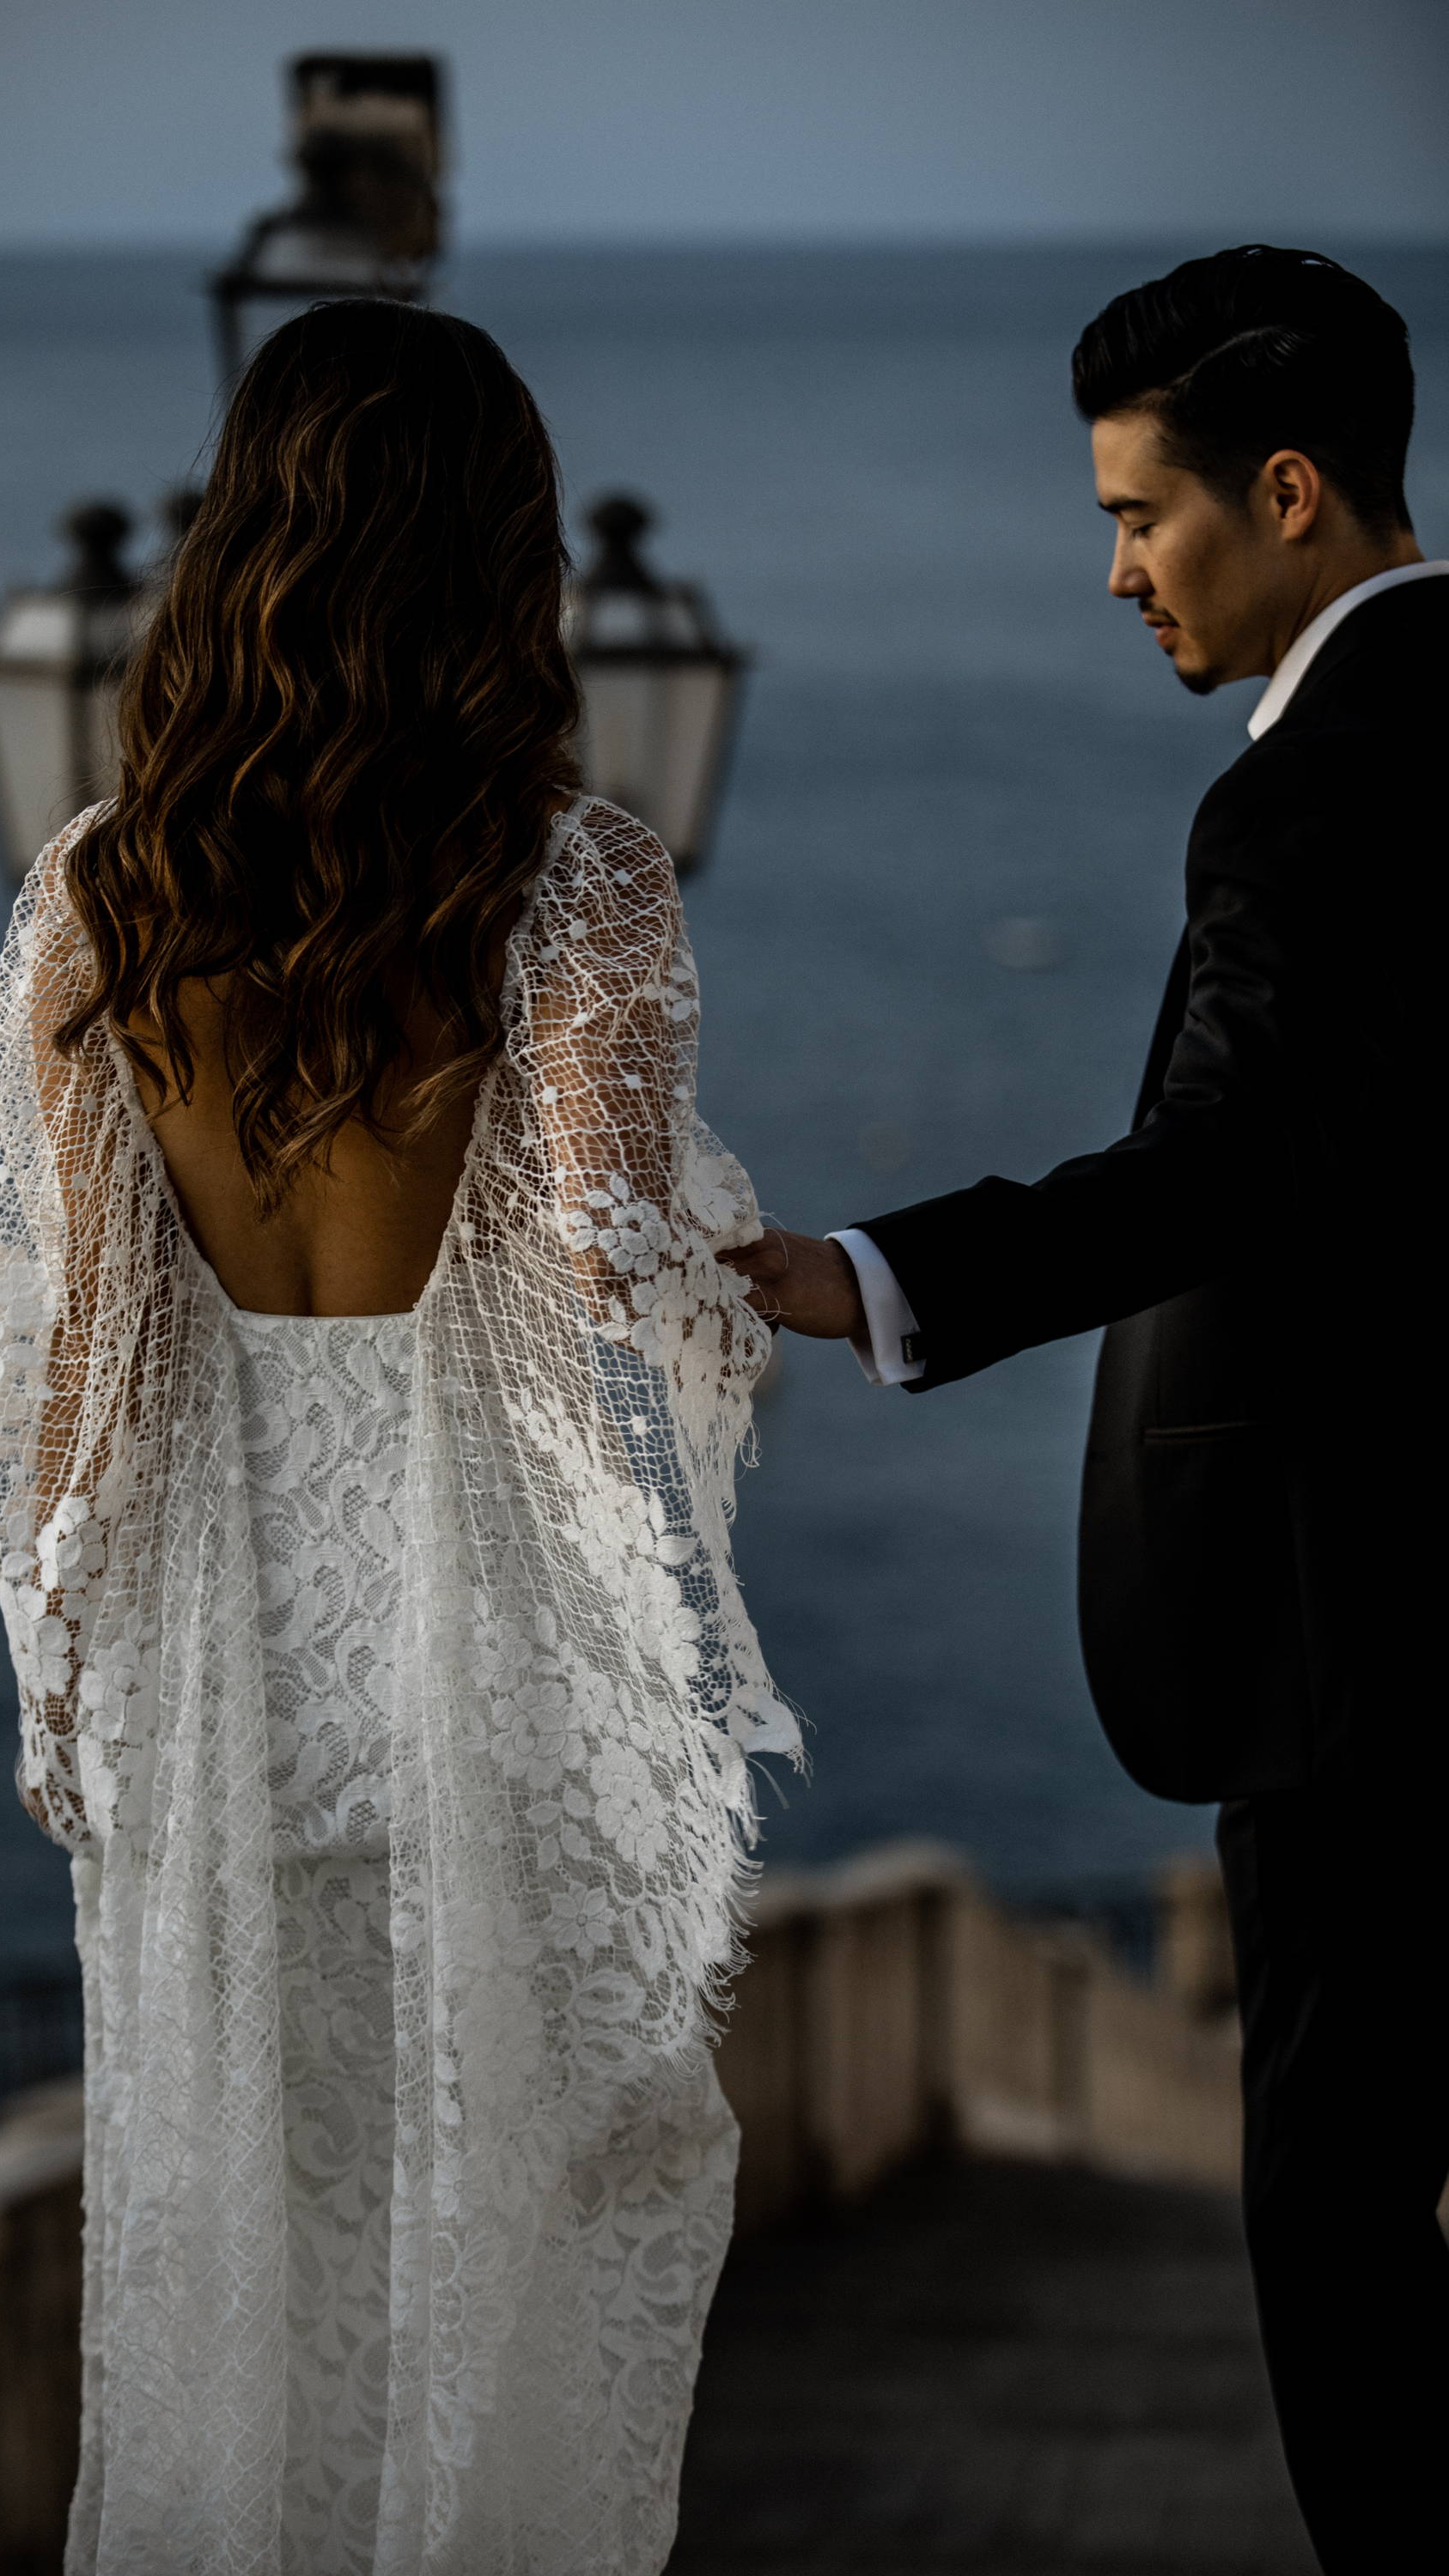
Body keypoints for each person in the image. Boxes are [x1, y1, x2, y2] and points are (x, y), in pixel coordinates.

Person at [0, 299, 799, 2576]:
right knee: (508, 2282)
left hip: (211, 1688)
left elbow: (89, 1375)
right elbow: (614, 1319)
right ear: (499, 564)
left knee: (246, 2273)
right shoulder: (581, 887)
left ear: (237, 550)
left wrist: (68, 1692)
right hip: (490, 1690)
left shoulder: (99, 901)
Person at [723, 245, 1447, 2573]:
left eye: (1145, 514)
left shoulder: (1313, 799)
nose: (1119, 570)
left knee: (1347, 2250)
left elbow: (1228, 1167)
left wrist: (880, 1276)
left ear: (1298, 491)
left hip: (1365, 1662)